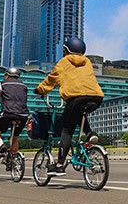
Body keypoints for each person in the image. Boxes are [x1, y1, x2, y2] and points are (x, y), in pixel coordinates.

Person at [34, 36, 103, 177]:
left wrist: (40, 90)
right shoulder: (87, 61)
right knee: (79, 114)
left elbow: (51, 79)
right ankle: (89, 134)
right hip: (96, 97)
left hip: (77, 98)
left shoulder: (64, 62)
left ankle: (59, 165)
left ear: (66, 51)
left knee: (67, 130)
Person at [0, 67, 29, 157]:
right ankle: (14, 158)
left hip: (8, 113)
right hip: (23, 115)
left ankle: (1, 145)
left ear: (7, 75)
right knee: (15, 136)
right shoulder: (24, 86)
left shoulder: (3, 84)